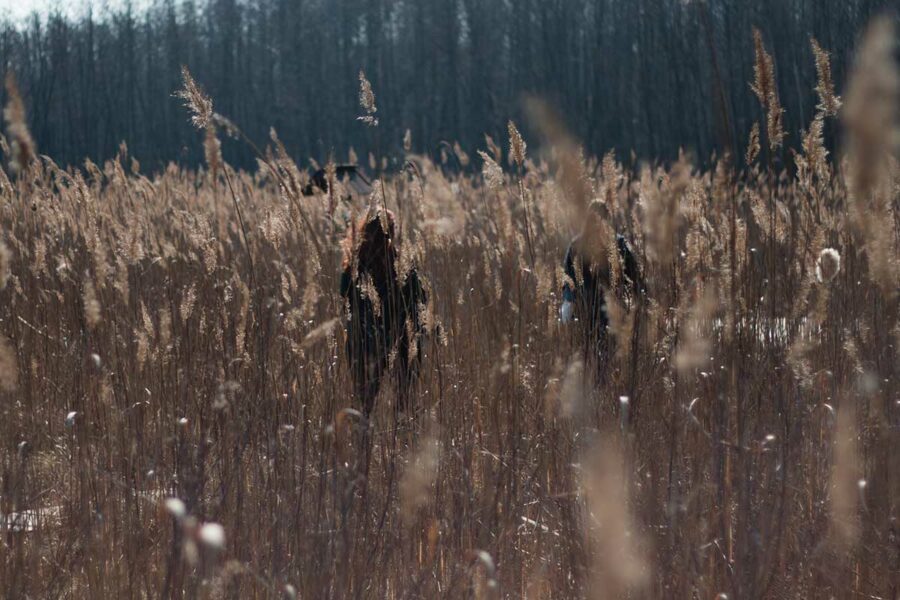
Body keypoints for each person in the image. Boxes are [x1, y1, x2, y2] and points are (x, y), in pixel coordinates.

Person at [340, 208, 427, 415]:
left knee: (364, 406)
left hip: (361, 341)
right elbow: (421, 301)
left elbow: (343, 294)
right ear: (391, 234)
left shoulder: (354, 265)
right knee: (402, 404)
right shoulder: (401, 264)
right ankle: (401, 435)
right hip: (399, 339)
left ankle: (363, 441)